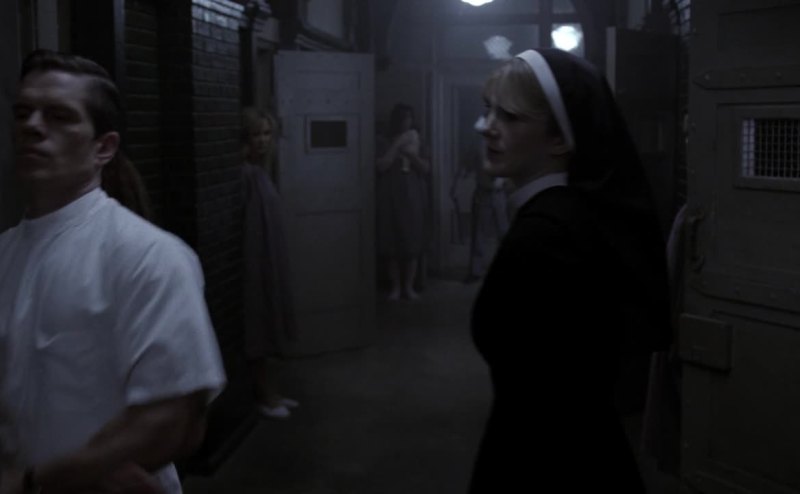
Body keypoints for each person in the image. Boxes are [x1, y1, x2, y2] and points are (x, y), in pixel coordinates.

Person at [0, 50, 227, 494]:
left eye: (59, 116)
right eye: (23, 113)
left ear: (102, 148)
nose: (32, 126)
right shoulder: (5, 252)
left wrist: (32, 483)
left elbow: (174, 421)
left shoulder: (148, 254)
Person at [469, 49, 671, 492]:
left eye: (510, 116)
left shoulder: (545, 236)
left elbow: (549, 399)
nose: (487, 126)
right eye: (488, 109)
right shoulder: (572, 214)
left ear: (560, 139)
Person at [240, 107, 300, 419]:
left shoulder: (260, 171)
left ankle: (270, 391)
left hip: (268, 253)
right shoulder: (246, 174)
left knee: (269, 319)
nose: (262, 140)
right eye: (256, 134)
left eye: (267, 134)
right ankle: (263, 395)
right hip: (255, 255)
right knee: (258, 322)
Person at [376, 104, 431, 301]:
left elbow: (426, 168)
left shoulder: (418, 140)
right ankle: (395, 287)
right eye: (403, 118)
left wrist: (411, 154)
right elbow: (381, 166)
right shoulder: (383, 141)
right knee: (391, 240)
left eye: (409, 118)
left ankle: (409, 286)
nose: (406, 122)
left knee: (412, 240)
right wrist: (397, 145)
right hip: (390, 192)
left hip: (413, 193)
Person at [455, 135, 509, 284]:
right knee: (479, 233)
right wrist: (457, 184)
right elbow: (466, 166)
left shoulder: (504, 144)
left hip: (500, 194)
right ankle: (475, 271)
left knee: (504, 232)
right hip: (483, 193)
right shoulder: (478, 145)